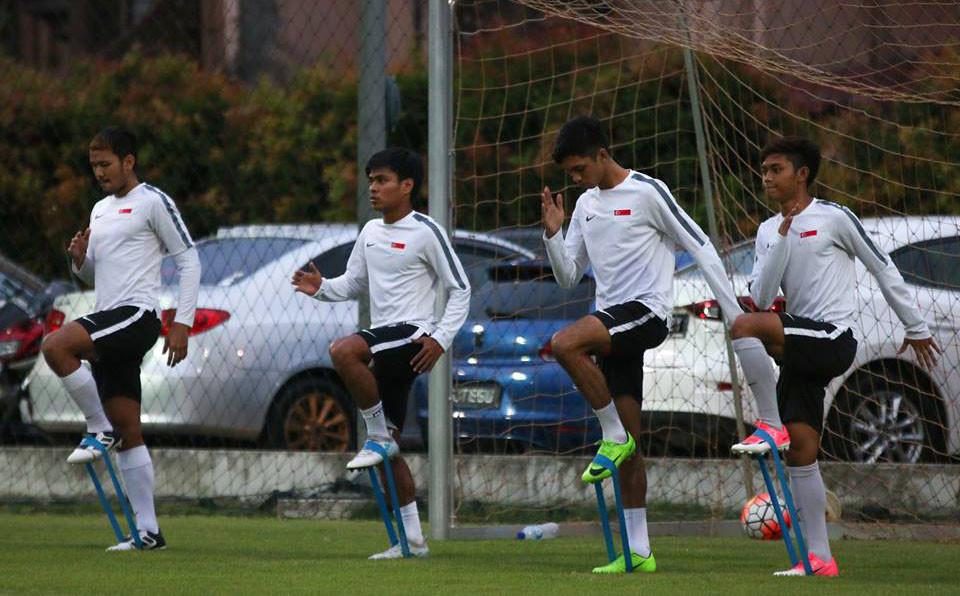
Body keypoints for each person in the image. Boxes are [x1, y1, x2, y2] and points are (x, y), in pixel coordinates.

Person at [542, 116, 756, 574]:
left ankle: (611, 435)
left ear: (603, 154)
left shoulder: (648, 192)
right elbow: (566, 276)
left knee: (563, 344)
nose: (575, 179)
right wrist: (553, 234)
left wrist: (735, 317)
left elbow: (700, 246)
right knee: (633, 450)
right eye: (570, 174)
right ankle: (638, 551)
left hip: (646, 313)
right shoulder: (583, 206)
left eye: (580, 168)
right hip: (614, 329)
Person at [730, 136, 939, 576]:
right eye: (764, 170)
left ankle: (767, 423)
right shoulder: (769, 230)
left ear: (802, 174)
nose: (766, 177)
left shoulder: (834, 217)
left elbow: (882, 265)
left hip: (833, 338)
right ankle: (821, 560)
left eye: (776, 169)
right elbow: (764, 296)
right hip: (800, 345)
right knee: (802, 451)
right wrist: (783, 239)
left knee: (743, 326)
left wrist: (915, 326)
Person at [291, 147, 470, 560]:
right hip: (385, 338)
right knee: (389, 449)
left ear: (407, 186)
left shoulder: (426, 231)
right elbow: (352, 284)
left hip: (412, 335)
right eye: (371, 179)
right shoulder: (370, 232)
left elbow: (461, 288)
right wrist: (321, 288)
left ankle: (374, 435)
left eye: (383, 180)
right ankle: (411, 542)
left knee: (343, 350)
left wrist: (441, 337)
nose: (373, 187)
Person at [40, 125, 201, 551]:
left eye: (105, 164)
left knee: (55, 346)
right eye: (93, 165)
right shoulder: (98, 210)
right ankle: (148, 533)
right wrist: (79, 261)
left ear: (129, 161)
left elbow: (188, 259)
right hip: (109, 316)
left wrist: (181, 322)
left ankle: (97, 428)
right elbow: (95, 273)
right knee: (130, 428)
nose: (99, 172)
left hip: (137, 316)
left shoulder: (153, 201)